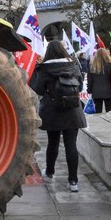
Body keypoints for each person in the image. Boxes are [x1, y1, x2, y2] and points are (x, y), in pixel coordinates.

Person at [29, 40, 86, 193]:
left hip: (52, 111)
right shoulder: (73, 65)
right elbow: (79, 86)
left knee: (52, 143)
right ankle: (73, 181)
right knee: (71, 145)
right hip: (73, 110)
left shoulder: (45, 69)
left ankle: (49, 173)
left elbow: (38, 90)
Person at [86, 48, 111, 113]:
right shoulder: (110, 65)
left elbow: (90, 80)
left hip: (96, 92)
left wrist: (89, 90)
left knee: (98, 111)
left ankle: (100, 123)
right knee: (109, 111)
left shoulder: (92, 66)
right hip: (108, 91)